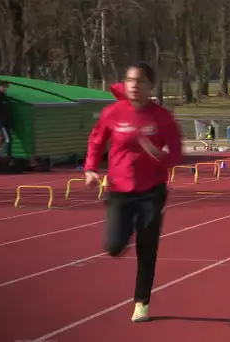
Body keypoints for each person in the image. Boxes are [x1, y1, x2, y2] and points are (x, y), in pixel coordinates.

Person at [83, 62, 183, 322]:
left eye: (139, 81)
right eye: (129, 80)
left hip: (152, 191)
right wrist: (91, 169)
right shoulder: (112, 113)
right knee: (114, 246)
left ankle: (142, 302)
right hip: (120, 188)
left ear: (151, 86)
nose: (134, 86)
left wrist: (159, 154)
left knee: (147, 246)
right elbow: (96, 140)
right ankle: (126, 229)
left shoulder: (162, 117)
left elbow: (176, 154)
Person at [0, 81, 13, 157]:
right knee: (8, 139)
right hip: (2, 122)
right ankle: (8, 157)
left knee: (2, 139)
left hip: (5, 122)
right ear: (0, 87)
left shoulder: (3, 96)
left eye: (6, 87)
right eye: (4, 87)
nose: (5, 89)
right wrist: (1, 120)